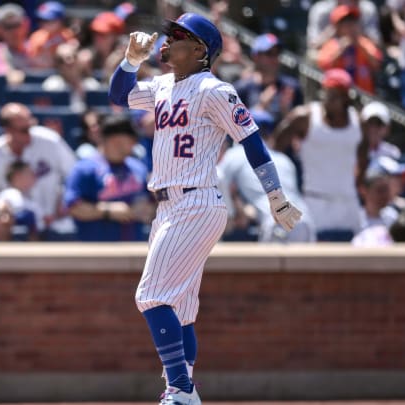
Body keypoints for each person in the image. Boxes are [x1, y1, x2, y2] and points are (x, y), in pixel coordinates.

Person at [108, 13, 301, 403]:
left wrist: (274, 195)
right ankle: (180, 393)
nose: (166, 40)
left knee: (151, 296)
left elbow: (251, 140)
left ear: (200, 50)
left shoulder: (214, 89)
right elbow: (119, 95)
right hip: (169, 207)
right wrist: (130, 60)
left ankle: (181, 389)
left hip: (196, 200)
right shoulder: (163, 84)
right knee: (179, 309)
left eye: (177, 35)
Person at [0, 102, 77, 240]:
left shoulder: (50, 141)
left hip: (54, 225)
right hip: (13, 233)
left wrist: (66, 201)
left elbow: (74, 174)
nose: (30, 133)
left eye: (30, 127)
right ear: (8, 130)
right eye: (24, 130)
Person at [277, 68, 363, 234]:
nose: (328, 99)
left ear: (346, 97)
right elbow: (276, 149)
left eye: (334, 95)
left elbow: (364, 158)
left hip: (349, 204)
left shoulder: (358, 122)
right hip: (315, 203)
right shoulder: (304, 117)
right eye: (326, 93)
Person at [219, 109, 315, 243]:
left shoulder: (235, 154)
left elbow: (219, 185)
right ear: (270, 135)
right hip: (305, 220)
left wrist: (238, 210)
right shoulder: (284, 160)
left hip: (277, 221)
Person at [64, 114, 152, 242]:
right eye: (132, 139)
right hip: (97, 251)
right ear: (116, 140)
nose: (135, 144)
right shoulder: (84, 168)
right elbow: (73, 207)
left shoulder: (138, 167)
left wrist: (146, 210)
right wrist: (107, 211)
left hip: (134, 249)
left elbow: (150, 205)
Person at [233, 33, 303, 122]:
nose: (274, 58)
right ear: (256, 57)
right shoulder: (241, 89)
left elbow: (300, 131)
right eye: (269, 53)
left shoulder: (291, 88)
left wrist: (285, 111)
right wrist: (260, 107)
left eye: (277, 53)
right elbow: (234, 127)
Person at [316, 4, 383, 94]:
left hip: (364, 97)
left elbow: (377, 64)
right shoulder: (331, 45)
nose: (351, 26)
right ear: (337, 27)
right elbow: (323, 67)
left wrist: (359, 46)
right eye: (346, 23)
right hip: (339, 98)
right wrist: (341, 50)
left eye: (354, 21)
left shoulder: (364, 43)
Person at [0, 3, 32, 86]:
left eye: (16, 25)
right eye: (7, 26)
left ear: (26, 24)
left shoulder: (36, 46)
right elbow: (4, 74)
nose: (13, 31)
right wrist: (11, 74)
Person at [0, 160, 43, 240]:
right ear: (17, 176)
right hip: (13, 244)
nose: (33, 177)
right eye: (29, 174)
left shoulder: (30, 197)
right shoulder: (9, 194)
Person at [26, 1, 76, 69]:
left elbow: (72, 58)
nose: (45, 24)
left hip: (62, 73)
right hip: (40, 73)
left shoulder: (67, 35)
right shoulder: (36, 36)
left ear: (60, 20)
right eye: (42, 20)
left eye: (49, 20)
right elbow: (31, 59)